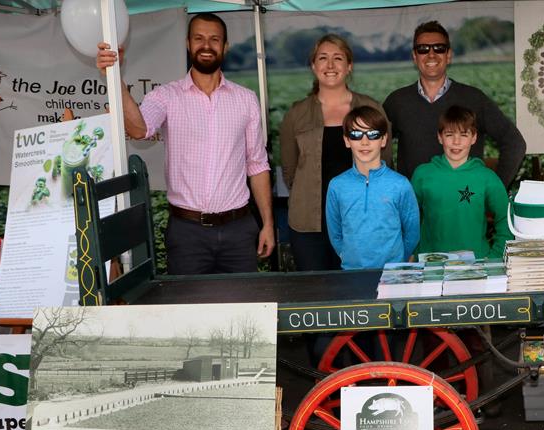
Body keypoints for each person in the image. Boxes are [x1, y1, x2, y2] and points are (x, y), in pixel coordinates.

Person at [95, 14, 274, 274]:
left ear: (225, 46)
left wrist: (267, 223)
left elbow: (257, 165)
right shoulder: (167, 96)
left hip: (239, 230)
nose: (206, 45)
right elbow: (139, 129)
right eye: (199, 38)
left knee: (242, 309)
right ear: (188, 44)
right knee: (189, 312)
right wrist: (115, 77)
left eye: (215, 39)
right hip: (188, 234)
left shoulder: (246, 100)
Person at [280, 34, 392, 271]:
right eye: (323, 58)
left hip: (362, 223)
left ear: (349, 66)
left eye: (338, 58)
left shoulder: (371, 108)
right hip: (309, 226)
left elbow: (386, 162)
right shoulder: (296, 114)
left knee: (360, 291)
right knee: (316, 293)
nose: (330, 65)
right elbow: (290, 171)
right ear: (313, 66)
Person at [383, 21, 526, 187]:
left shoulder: (474, 99)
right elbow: (374, 145)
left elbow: (514, 142)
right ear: (415, 56)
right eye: (423, 48)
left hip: (465, 205)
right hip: (414, 208)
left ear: (448, 55)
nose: (431, 54)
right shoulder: (397, 101)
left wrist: (495, 190)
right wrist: (391, 188)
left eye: (439, 48)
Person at [411, 105, 512, 259]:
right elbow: (407, 219)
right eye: (449, 134)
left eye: (464, 135)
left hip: (476, 265)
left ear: (474, 138)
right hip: (430, 265)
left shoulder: (486, 177)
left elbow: (506, 219)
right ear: (440, 137)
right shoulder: (423, 174)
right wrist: (413, 252)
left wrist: (495, 257)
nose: (456, 142)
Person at [326, 106, 419, 270]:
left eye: (372, 134)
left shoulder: (400, 184)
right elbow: (335, 233)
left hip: (392, 274)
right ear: (347, 141)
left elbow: (412, 232)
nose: (364, 142)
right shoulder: (337, 186)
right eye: (356, 135)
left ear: (383, 140)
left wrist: (397, 262)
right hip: (351, 273)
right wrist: (348, 257)